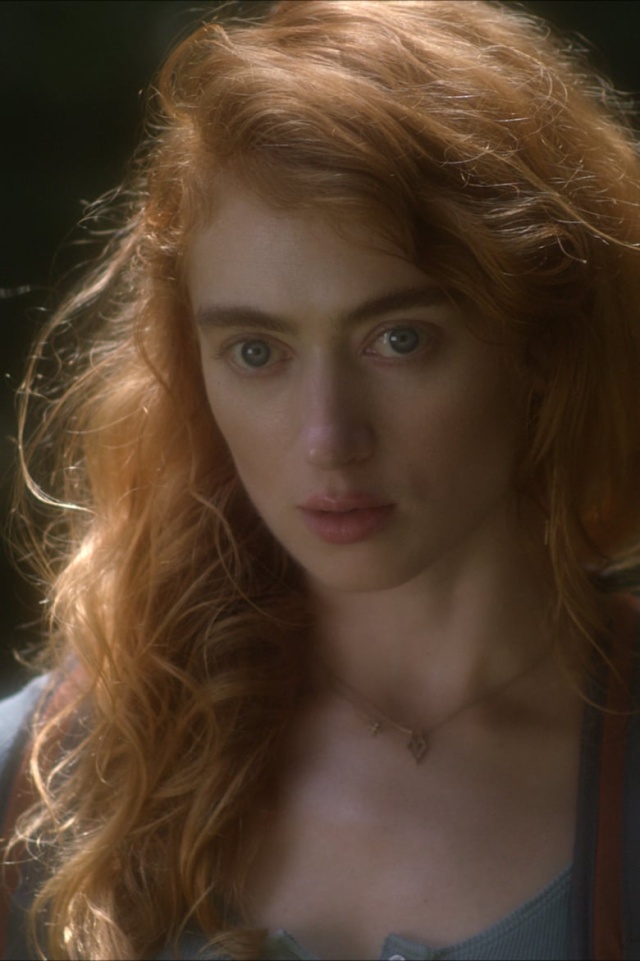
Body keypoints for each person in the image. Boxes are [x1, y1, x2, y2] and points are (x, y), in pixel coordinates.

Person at [2, 1, 640, 958]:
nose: (328, 438)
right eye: (257, 351)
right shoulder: (46, 780)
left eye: (399, 338)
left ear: (544, 343)